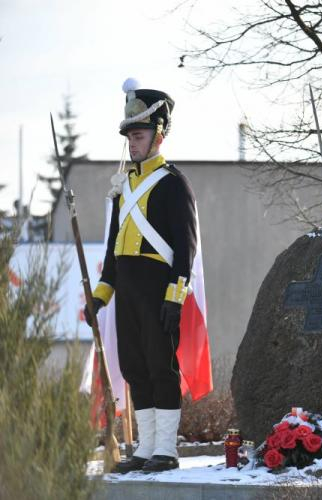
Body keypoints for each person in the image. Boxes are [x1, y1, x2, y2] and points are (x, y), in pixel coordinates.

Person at [85, 78, 197, 473]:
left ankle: (166, 448)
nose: (132, 143)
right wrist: (100, 296)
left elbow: (185, 251)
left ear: (158, 136)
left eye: (139, 134)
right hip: (129, 289)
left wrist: (174, 297)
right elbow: (114, 251)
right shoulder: (124, 188)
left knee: (160, 366)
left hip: (157, 289)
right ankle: (147, 448)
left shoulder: (172, 184)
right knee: (134, 366)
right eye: (130, 135)